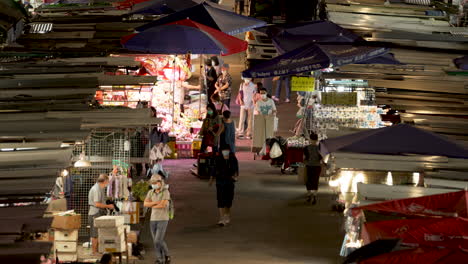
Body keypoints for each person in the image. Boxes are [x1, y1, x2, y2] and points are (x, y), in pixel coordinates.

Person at [144, 175, 171, 264]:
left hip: (163, 219)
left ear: (160, 182)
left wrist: (151, 204)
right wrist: (156, 203)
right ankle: (162, 258)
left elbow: (163, 205)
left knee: (157, 240)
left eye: (155, 183)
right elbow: (145, 204)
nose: (154, 185)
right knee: (157, 240)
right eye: (152, 183)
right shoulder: (150, 192)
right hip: (153, 219)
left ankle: (164, 257)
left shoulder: (165, 192)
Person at [209, 147, 239, 226]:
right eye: (223, 150)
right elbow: (214, 169)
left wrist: (235, 176)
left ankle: (227, 215)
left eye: (227, 150)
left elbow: (236, 170)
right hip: (220, 182)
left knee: (228, 200)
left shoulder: (233, 159)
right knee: (220, 199)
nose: (225, 152)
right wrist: (211, 179)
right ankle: (221, 218)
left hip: (229, 182)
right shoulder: (218, 159)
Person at [88, 174, 114, 255]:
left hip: (98, 212)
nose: (108, 183)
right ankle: (94, 252)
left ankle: (98, 250)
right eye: (108, 181)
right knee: (95, 233)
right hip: (95, 213)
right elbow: (97, 204)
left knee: (98, 233)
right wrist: (108, 206)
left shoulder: (100, 188)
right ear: (105, 181)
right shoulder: (96, 189)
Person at [303, 133, 323, 204]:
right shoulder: (320, 148)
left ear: (310, 139)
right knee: (315, 181)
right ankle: (314, 195)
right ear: (317, 139)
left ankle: (309, 195)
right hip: (317, 167)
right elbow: (321, 158)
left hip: (309, 166)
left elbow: (304, 158)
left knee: (308, 180)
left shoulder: (306, 148)